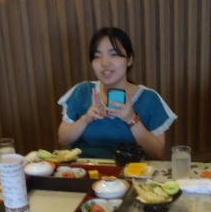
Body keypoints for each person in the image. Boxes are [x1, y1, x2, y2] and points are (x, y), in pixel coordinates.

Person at [57, 27, 177, 159]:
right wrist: (85, 119)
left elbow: (157, 153)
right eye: (97, 56)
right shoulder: (82, 91)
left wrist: (132, 120)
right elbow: (63, 140)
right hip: (85, 168)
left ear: (129, 59)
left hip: (132, 169)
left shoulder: (149, 99)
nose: (105, 63)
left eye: (114, 54)